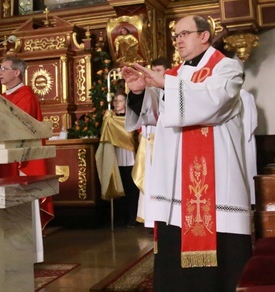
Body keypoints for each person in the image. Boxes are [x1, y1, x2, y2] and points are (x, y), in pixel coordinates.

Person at [121, 16, 251, 291]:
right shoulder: (175, 75)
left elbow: (213, 102)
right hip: (176, 185)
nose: (178, 40)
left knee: (220, 267)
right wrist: (139, 91)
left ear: (204, 36)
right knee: (174, 257)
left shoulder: (226, 68)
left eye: (184, 34)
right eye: (176, 36)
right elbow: (154, 114)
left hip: (216, 186)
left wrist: (164, 84)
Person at [0, 57, 54, 262]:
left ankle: (27, 253)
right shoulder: (1, 97)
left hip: (20, 160)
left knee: (22, 202)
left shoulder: (25, 95)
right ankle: (5, 250)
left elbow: (19, 125)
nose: (0, 72)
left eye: (4, 68)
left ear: (16, 72)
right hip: (2, 156)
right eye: (0, 68)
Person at [128, 56, 170, 225]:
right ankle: (153, 219)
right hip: (151, 144)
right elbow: (149, 114)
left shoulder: (174, 87)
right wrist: (138, 93)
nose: (153, 75)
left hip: (168, 147)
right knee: (150, 181)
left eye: (158, 71)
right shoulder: (152, 92)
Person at [96, 90, 140, 226]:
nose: (116, 103)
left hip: (130, 156)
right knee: (120, 189)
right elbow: (105, 136)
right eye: (115, 101)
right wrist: (107, 121)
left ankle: (133, 217)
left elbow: (131, 136)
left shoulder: (131, 117)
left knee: (131, 189)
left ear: (126, 102)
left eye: (120, 101)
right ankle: (121, 217)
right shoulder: (110, 118)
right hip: (116, 156)